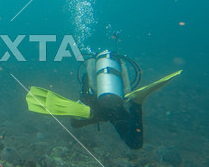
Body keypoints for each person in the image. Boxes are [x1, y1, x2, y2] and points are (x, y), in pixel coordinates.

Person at [26, 50, 182, 149]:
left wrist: (92, 113)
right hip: (116, 106)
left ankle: (91, 113)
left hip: (97, 108)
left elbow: (85, 95)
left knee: (74, 122)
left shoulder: (90, 73)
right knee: (135, 143)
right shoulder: (115, 70)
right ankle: (136, 104)